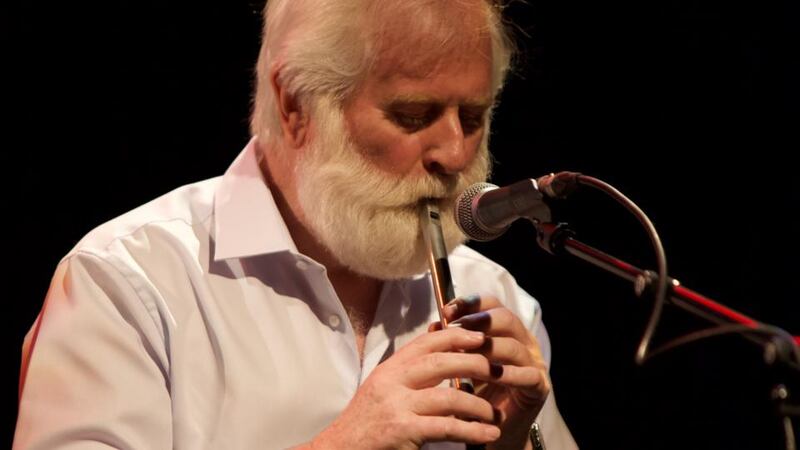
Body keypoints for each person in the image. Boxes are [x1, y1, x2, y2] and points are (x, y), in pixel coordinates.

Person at [14, 0, 578, 449]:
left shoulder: (498, 298)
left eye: (474, 117)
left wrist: (513, 445)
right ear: (294, 102)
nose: (454, 154)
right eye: (413, 115)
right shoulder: (129, 282)